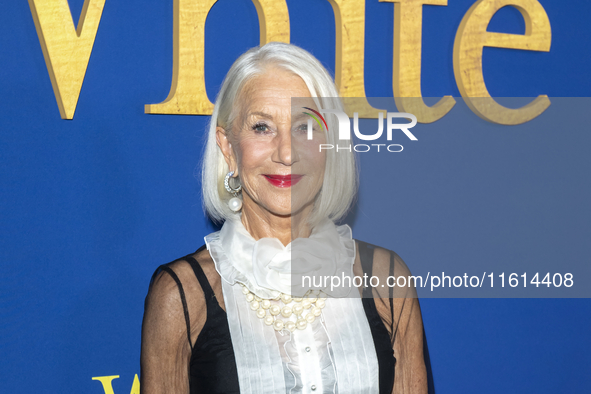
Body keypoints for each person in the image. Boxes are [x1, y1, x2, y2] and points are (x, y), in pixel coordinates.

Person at [140, 42, 430, 394]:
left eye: (305, 127)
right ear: (228, 147)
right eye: (262, 127)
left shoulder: (387, 279)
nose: (287, 152)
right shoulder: (182, 294)